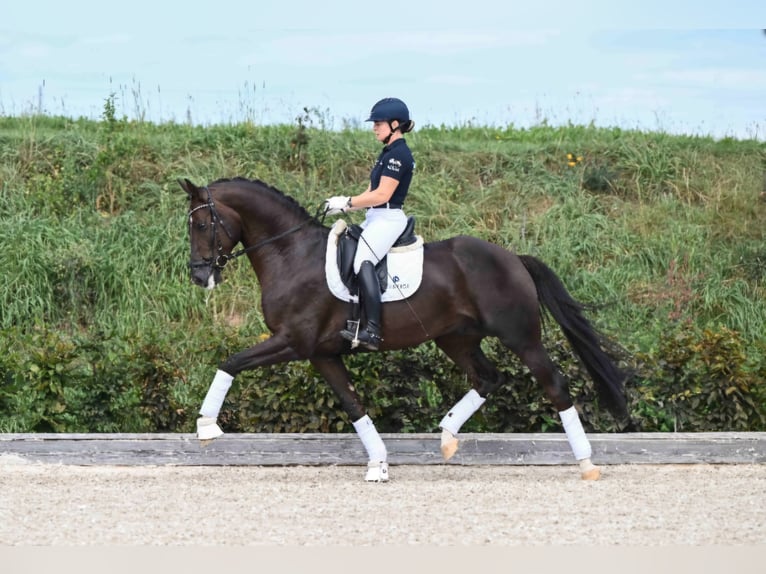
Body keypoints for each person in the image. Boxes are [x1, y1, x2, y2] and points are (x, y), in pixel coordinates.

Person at [324, 97, 416, 351]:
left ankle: (373, 331)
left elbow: (382, 195)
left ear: (395, 124)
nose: (374, 127)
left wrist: (348, 201)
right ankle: (354, 320)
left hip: (388, 218)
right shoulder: (386, 153)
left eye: (379, 123)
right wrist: (342, 205)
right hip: (375, 217)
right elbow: (369, 193)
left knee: (363, 260)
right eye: (374, 123)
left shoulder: (399, 155)